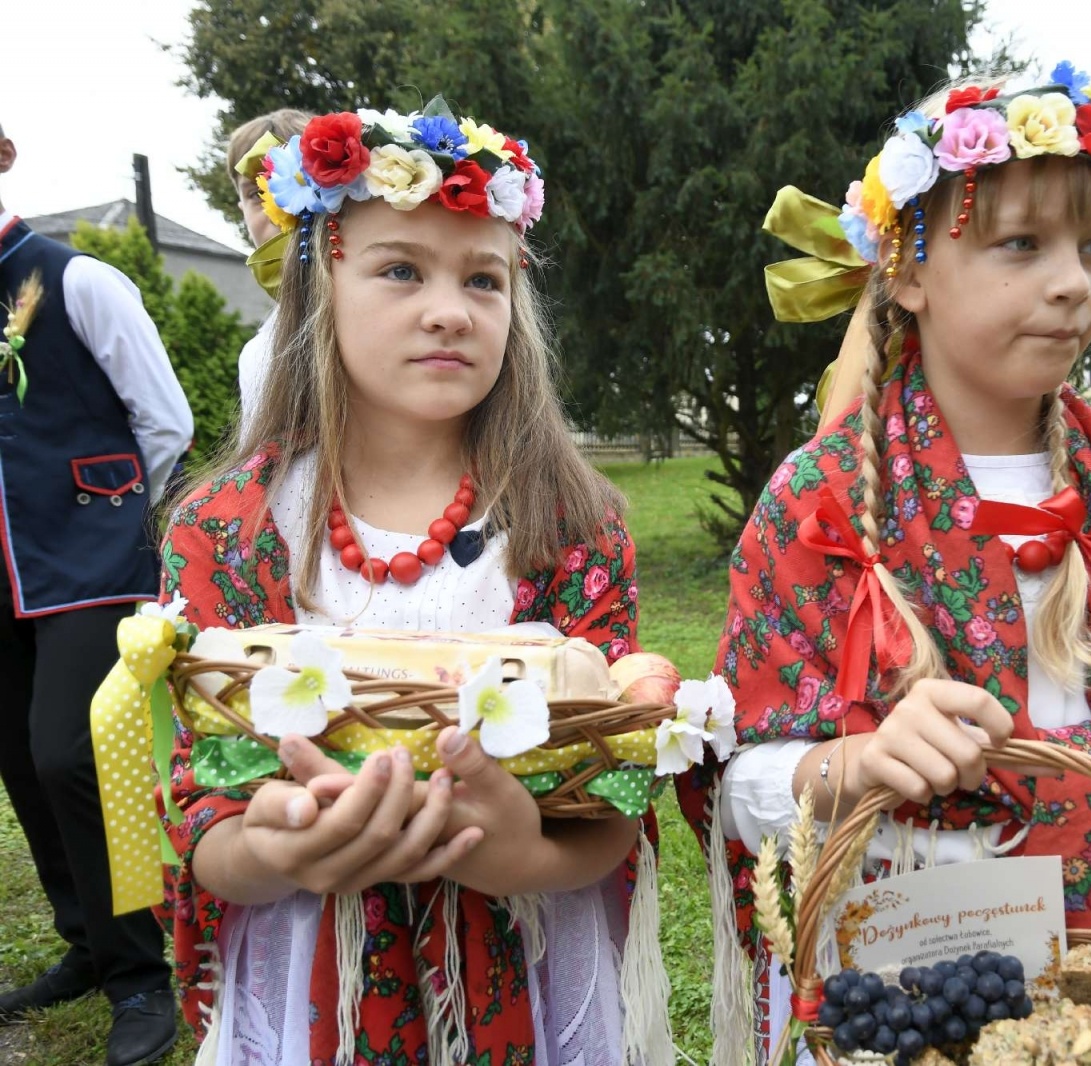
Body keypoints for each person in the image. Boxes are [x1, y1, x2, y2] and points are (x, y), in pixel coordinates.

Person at [679, 63, 1091, 1057]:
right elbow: (738, 787)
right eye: (1021, 244)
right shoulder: (821, 504)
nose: (1072, 283)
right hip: (900, 982)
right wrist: (860, 762)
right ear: (908, 269)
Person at [156, 100, 650, 1064]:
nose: (450, 310)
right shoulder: (229, 528)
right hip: (315, 975)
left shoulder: (569, 525)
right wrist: (275, 849)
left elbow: (616, 793)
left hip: (521, 961)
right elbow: (202, 810)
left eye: (484, 279)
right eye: (400, 270)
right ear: (318, 287)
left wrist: (527, 854)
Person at [0, 121, 193, 1065]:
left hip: (87, 564)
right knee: (19, 759)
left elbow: (165, 420)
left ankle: (139, 975)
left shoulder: (77, 279)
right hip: (5, 573)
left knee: (70, 755)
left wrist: (111, 523)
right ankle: (85, 941)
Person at [225, 107, 311, 439]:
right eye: (256, 194)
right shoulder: (258, 350)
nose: (277, 209)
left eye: (295, 182)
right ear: (241, 210)